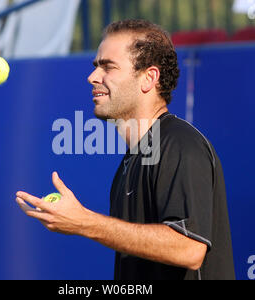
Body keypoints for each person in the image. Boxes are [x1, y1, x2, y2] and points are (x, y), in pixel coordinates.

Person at [15, 19, 235, 280]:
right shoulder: (132, 161)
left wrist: (84, 222)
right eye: (96, 66)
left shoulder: (180, 144)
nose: (93, 77)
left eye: (108, 66)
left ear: (149, 78)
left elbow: (189, 248)